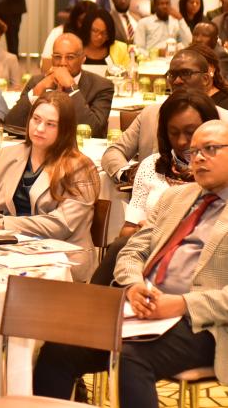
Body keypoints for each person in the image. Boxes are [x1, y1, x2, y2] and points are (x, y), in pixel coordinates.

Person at [34, 119, 228, 407]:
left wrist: (182, 304)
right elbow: (132, 249)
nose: (198, 158)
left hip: (205, 325)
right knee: (60, 346)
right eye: (194, 152)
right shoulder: (175, 197)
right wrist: (134, 285)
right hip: (142, 310)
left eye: (210, 149)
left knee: (131, 358)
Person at [0, 92, 99, 281]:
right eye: (36, 119)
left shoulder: (81, 167)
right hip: (8, 254)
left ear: (65, 129)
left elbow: (61, 225)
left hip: (61, 260)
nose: (40, 128)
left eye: (51, 124)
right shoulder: (7, 155)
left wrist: (4, 224)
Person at [101, 49, 228, 185]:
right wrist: (128, 174)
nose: (177, 81)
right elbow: (113, 152)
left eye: (186, 73)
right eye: (172, 75)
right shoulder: (150, 115)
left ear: (206, 79)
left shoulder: (224, 120)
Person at [124, 90, 218, 236]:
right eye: (174, 133)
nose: (181, 142)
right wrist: (140, 231)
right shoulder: (151, 166)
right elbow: (126, 231)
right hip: (149, 246)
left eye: (190, 132)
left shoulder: (222, 169)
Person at [5, 33, 113, 138]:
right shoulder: (37, 82)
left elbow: (94, 131)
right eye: (57, 57)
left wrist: (72, 88)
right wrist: (37, 91)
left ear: (83, 58)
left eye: (70, 57)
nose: (62, 63)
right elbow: (10, 126)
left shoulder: (101, 86)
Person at [40, 0, 97, 73]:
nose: (85, 26)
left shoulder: (100, 37)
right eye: (82, 21)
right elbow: (45, 67)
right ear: (74, 20)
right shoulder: (58, 32)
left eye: (89, 22)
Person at [183, 43, 228, 109]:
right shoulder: (186, 99)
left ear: (211, 69)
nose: (178, 80)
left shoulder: (224, 105)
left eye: (187, 72)